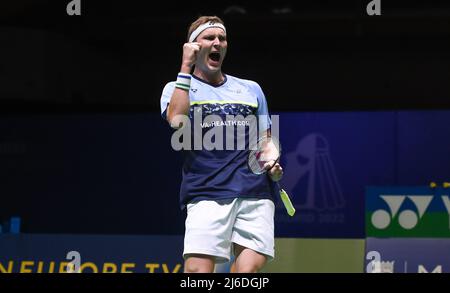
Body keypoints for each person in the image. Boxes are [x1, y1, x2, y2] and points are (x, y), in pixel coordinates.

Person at [160, 15, 283, 273]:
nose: (217, 43)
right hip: (207, 192)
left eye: (222, 38)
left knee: (247, 272)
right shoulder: (177, 87)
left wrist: (270, 163)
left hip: (254, 192)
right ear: (194, 45)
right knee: (197, 273)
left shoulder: (251, 89)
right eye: (209, 38)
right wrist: (185, 67)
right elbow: (177, 121)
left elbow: (265, 140)